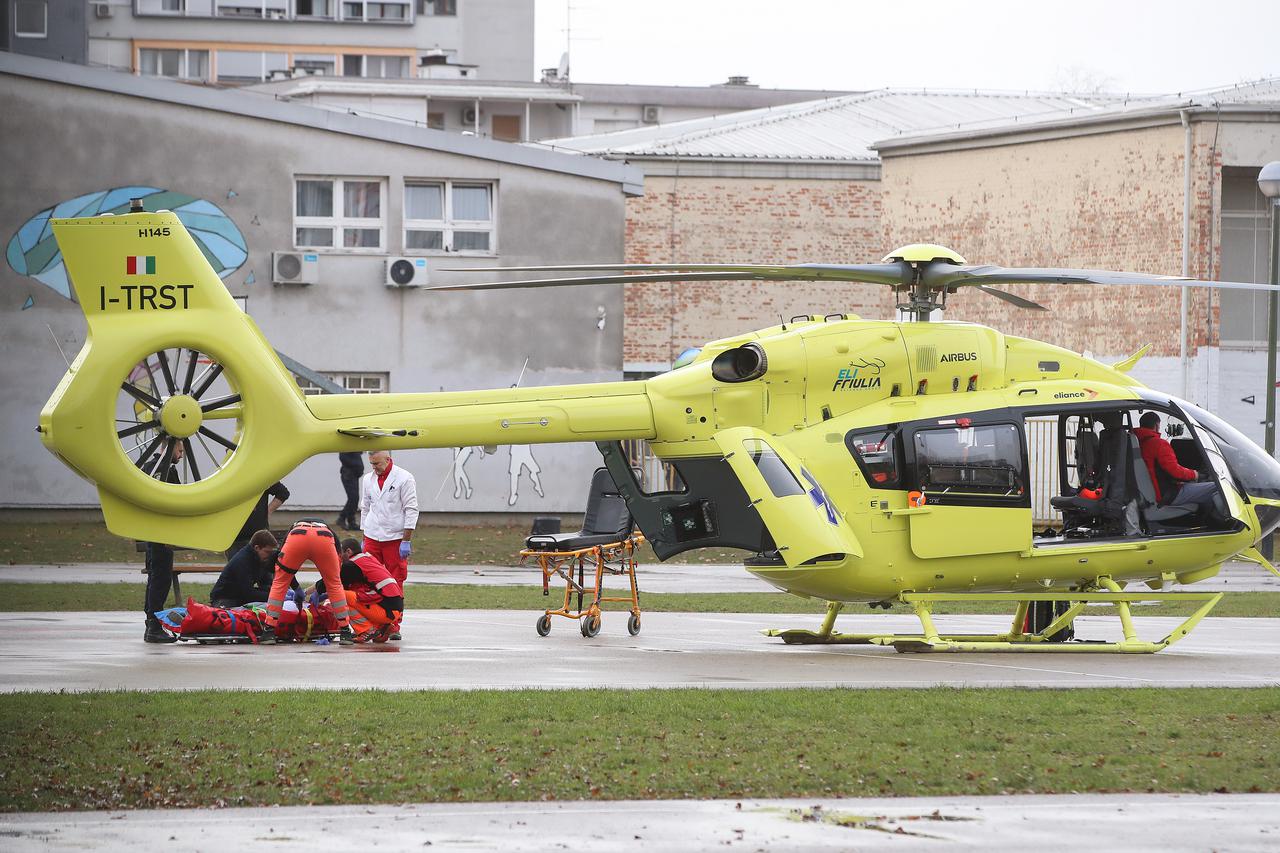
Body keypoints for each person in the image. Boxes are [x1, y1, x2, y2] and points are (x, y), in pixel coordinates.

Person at [261, 520, 358, 645]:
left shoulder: (291, 530)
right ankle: (345, 632)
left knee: (280, 582)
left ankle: (269, 630)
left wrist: (296, 589)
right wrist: (320, 590)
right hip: (325, 537)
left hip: (297, 536)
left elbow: (285, 570)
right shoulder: (330, 531)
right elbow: (335, 576)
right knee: (335, 585)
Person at [314, 539, 406, 643]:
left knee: (339, 597)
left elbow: (329, 582)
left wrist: (308, 593)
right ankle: (382, 627)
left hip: (386, 609)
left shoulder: (351, 565)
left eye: (340, 553)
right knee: (352, 595)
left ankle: (365, 630)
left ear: (348, 552)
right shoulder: (367, 559)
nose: (339, 557)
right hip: (393, 609)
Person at [1134, 412, 1221, 513]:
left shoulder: (1138, 442)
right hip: (1168, 494)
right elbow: (1175, 472)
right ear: (1157, 425)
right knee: (1217, 487)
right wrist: (1197, 475)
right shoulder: (1158, 444)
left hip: (1151, 492)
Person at [143, 441, 184, 644]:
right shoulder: (162, 469)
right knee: (161, 578)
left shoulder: (150, 467)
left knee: (155, 578)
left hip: (152, 530)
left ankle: (151, 623)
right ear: (169, 448)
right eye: (179, 450)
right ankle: (154, 625)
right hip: (161, 532)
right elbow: (174, 499)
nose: (182, 455)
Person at [210, 529, 297, 609]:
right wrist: (275, 596)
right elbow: (248, 594)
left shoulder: (261, 558)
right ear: (257, 548)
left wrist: (279, 591)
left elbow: (265, 583)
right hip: (224, 598)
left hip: (240, 596)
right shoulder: (242, 561)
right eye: (267, 552)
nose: (270, 555)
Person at [226, 481, 290, 560]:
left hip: (258, 534)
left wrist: (267, 511)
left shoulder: (261, 475)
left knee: (261, 567)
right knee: (236, 568)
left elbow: (283, 493)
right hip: (234, 536)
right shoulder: (230, 477)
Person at [336, 452, 363, 531]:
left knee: (354, 498)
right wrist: (356, 466)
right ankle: (343, 518)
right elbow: (343, 457)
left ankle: (350, 521)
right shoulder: (346, 447)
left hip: (353, 474)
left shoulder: (354, 446)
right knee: (353, 498)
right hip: (348, 474)